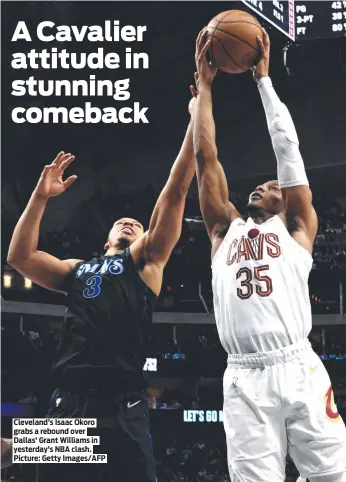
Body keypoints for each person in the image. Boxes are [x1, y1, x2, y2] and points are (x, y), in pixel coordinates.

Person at [7, 90, 197, 482]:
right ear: (104, 237)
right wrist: (40, 197)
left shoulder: (145, 262)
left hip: (123, 403)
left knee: (13, 450)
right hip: (70, 399)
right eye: (121, 221)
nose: (129, 222)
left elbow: (175, 190)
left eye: (138, 223)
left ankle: (17, 447)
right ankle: (17, 447)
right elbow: (20, 258)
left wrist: (197, 120)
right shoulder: (77, 269)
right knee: (11, 451)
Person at [193, 27, 346, 482]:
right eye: (260, 184)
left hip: (298, 364)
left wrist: (264, 81)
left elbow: (288, 151)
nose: (264, 184)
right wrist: (204, 88)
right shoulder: (225, 230)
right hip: (244, 378)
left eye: (274, 185)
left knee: (335, 475)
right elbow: (206, 158)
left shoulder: (297, 227)